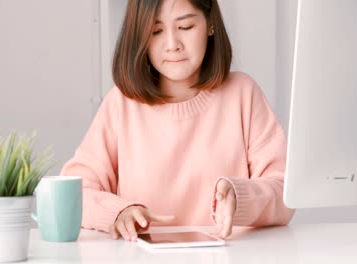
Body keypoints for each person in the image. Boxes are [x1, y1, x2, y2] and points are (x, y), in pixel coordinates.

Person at [61, 0, 294, 241]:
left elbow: (285, 191)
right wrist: (118, 212)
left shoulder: (242, 93)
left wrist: (241, 196)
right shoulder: (122, 104)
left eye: (186, 27)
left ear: (210, 24)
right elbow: (74, 193)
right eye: (156, 31)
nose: (172, 45)